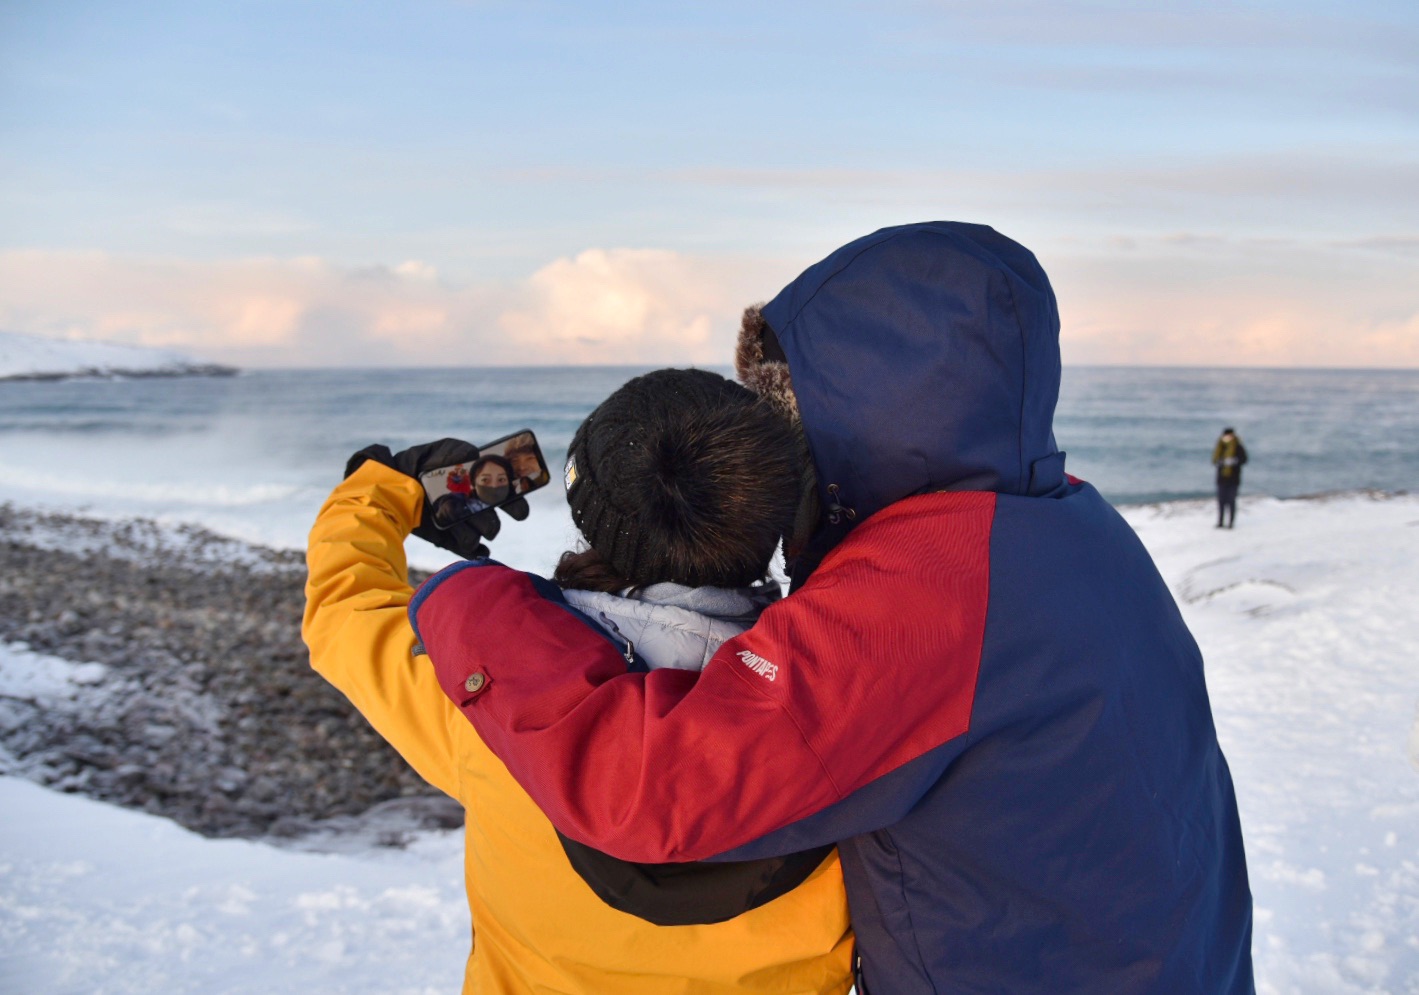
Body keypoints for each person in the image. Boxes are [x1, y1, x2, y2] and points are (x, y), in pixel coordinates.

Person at [408, 222, 1256, 994]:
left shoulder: (927, 586)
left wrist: (475, 599)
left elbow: (650, 789)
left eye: (784, 414)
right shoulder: (1068, 519)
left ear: (848, 410)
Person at [303, 374, 853, 993]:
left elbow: (343, 605)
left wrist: (388, 490)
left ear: (590, 513)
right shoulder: (861, 706)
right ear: (778, 516)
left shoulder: (486, 694)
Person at [1213, 426, 1249, 528]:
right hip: (1221, 478)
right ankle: (1220, 522)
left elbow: (1244, 459)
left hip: (1233, 478)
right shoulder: (1220, 446)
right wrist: (1221, 462)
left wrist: (1234, 461)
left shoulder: (1238, 446)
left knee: (1231, 500)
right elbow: (1215, 459)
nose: (1226, 437)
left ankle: (1231, 523)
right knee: (1221, 501)